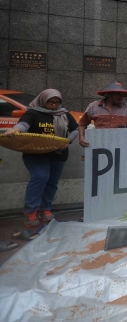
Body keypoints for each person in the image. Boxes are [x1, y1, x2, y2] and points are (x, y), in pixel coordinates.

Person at [5, 89, 79, 228]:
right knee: (40, 176)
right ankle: (30, 211)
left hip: (58, 153)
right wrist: (15, 130)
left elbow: (76, 129)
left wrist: (67, 141)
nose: (54, 105)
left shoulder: (64, 114)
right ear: (43, 100)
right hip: (35, 153)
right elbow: (23, 125)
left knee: (52, 182)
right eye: (51, 102)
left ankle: (45, 208)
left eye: (57, 102)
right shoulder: (33, 113)